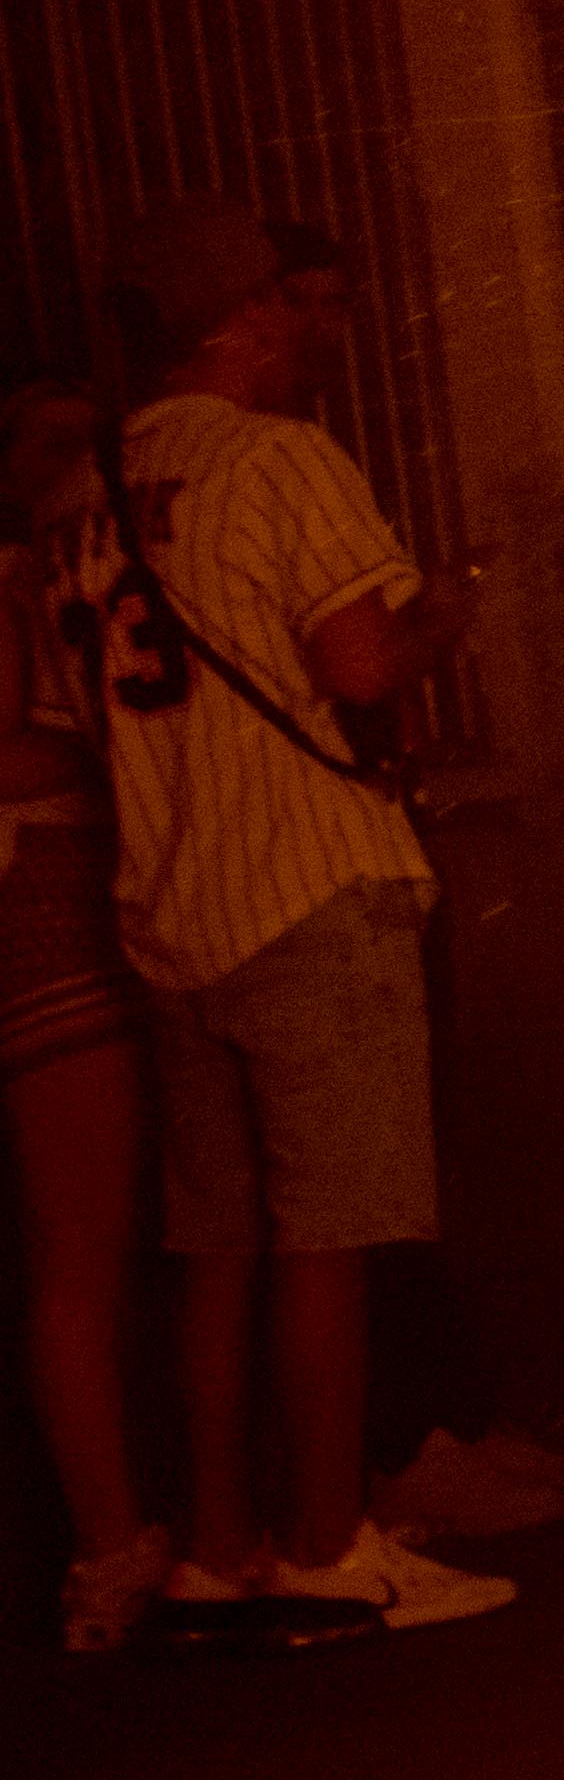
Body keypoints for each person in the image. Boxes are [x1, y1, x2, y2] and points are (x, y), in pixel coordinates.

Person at [75, 199, 512, 1639]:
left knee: (218, 1248)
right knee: (328, 1235)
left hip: (171, 910)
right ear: (237, 322)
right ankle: (330, 1546)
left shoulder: (92, 487)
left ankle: (216, 1546)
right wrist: (445, 612)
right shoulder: (280, 460)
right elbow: (362, 665)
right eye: (281, 305)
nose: (298, 328)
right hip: (308, 890)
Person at [9, 367, 171, 1652]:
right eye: (54, 439)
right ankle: (107, 1555)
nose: (83, 457)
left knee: (100, 1245)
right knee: (78, 1249)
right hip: (36, 905)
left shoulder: (59, 564)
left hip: (67, 897)